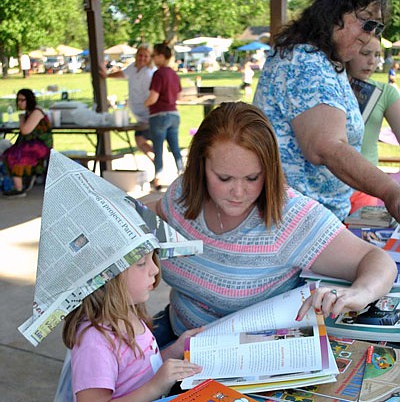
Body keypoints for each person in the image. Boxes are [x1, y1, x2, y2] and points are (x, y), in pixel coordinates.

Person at [150, 101, 396, 348]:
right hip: (174, 334)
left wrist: (359, 293)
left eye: (252, 178)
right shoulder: (183, 192)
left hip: (246, 357)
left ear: (269, 170)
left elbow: (378, 261)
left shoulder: (290, 216)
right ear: (200, 166)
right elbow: (154, 215)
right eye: (223, 178)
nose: (238, 192)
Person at [253, 0, 400, 223]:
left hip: (314, 219)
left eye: (378, 27)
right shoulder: (306, 62)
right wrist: (390, 191)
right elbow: (326, 146)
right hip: (297, 222)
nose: (371, 34)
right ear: (334, 13)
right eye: (367, 22)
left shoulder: (327, 61)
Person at [62, 249, 202, 402]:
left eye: (151, 259)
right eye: (140, 263)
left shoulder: (129, 313)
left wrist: (177, 348)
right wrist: (155, 387)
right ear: (108, 278)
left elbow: (139, 370)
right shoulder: (95, 342)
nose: (155, 269)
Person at [347, 35, 400, 211]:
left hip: (365, 186)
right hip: (324, 187)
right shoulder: (328, 88)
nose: (372, 61)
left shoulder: (386, 92)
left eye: (377, 55)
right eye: (365, 53)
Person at [100, 44, 156, 161]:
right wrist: (107, 76)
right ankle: (157, 162)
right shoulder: (133, 67)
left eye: (146, 56)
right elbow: (122, 74)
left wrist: (148, 105)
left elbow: (154, 94)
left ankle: (159, 164)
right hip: (138, 114)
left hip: (150, 114)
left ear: (150, 57)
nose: (142, 58)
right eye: (140, 55)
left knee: (147, 140)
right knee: (140, 140)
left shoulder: (150, 72)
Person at [144, 42, 183, 189]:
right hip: (174, 114)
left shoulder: (158, 74)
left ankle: (158, 177)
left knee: (158, 149)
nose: (152, 58)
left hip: (159, 115)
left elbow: (153, 97)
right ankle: (182, 174)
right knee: (175, 148)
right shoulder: (174, 73)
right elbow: (179, 95)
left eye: (154, 55)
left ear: (161, 56)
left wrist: (144, 104)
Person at [2, 88, 53, 198]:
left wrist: (21, 119)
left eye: (22, 100)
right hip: (30, 144)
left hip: (40, 146)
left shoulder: (37, 112)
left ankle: (20, 187)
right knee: (8, 153)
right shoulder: (28, 113)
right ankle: (17, 184)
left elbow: (25, 130)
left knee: (15, 155)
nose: (19, 103)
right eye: (18, 100)